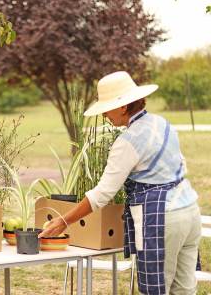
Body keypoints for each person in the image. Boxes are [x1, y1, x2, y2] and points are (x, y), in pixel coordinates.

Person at [39, 71, 201, 295]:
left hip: (163, 220)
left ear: (123, 107)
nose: (105, 113)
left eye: (107, 107)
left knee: (157, 291)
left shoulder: (127, 141)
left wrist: (64, 221)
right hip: (190, 213)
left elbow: (103, 194)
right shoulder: (162, 124)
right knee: (184, 291)